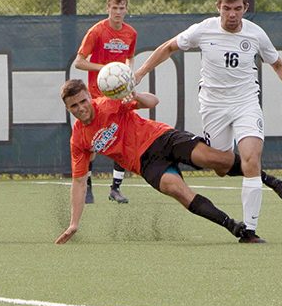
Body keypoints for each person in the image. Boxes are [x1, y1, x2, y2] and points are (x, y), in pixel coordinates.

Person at [133, 0, 282, 244]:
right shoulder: (203, 30)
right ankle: (269, 181)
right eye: (226, 8)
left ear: (245, 8)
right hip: (214, 107)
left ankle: (249, 231)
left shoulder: (255, 34)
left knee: (251, 158)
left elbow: (278, 64)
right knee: (221, 164)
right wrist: (139, 73)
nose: (231, 14)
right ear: (218, 7)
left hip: (246, 103)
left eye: (237, 8)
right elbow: (169, 47)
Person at [55, 78, 251, 245]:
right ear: (67, 108)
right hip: (144, 163)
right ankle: (232, 226)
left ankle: (268, 179)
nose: (80, 108)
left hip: (160, 138)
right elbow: (79, 182)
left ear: (89, 96)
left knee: (212, 159)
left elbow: (153, 101)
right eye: (74, 106)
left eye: (83, 101)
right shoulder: (78, 139)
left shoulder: (109, 104)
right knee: (176, 190)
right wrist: (74, 223)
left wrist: (136, 96)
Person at [74, 0, 137, 204]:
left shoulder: (130, 33)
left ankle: (115, 188)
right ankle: (88, 186)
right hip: (96, 95)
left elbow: (130, 58)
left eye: (121, 8)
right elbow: (79, 62)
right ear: (107, 8)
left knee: (124, 138)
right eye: (114, 8)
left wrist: (127, 75)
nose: (118, 12)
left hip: (119, 95)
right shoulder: (97, 32)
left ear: (126, 9)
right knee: (93, 142)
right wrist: (106, 70)